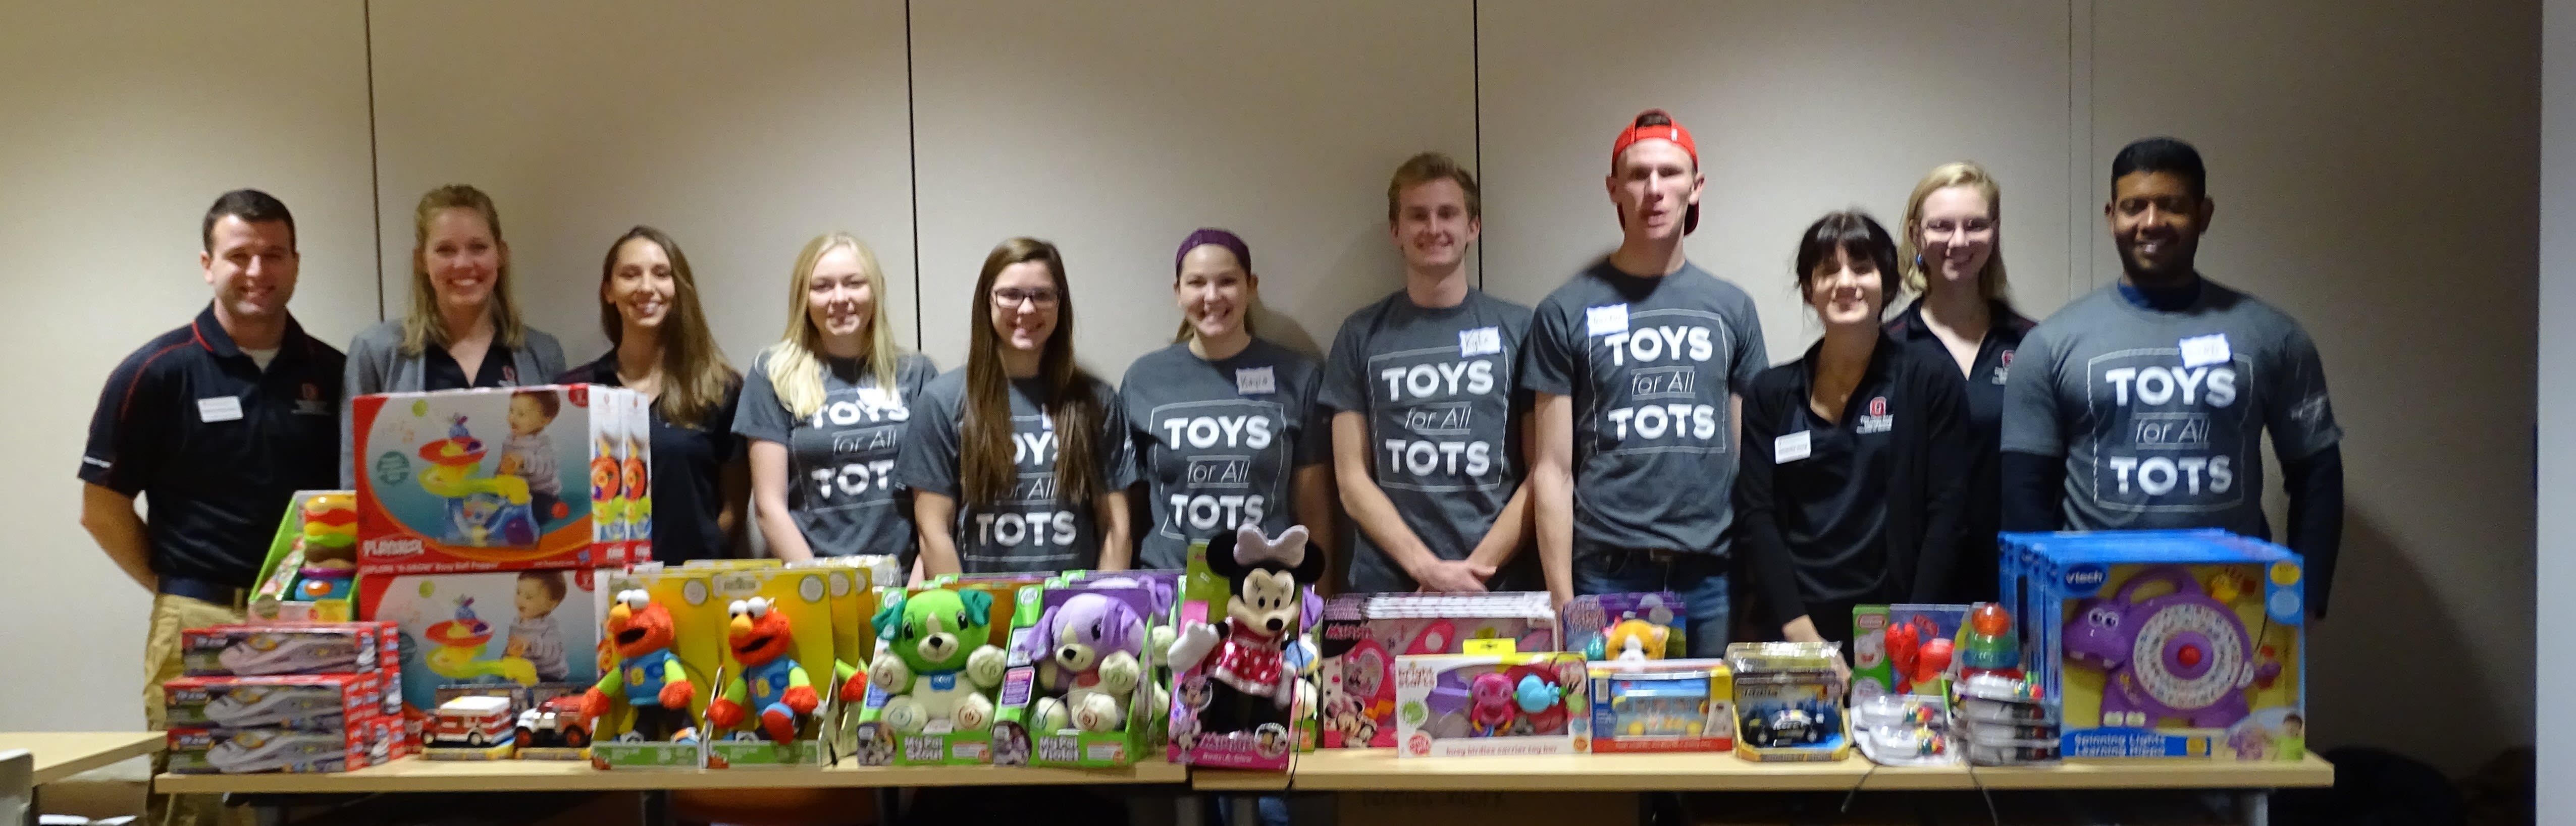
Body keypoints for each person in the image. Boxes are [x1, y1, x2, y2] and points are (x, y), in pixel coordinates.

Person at [80, 190, 343, 825]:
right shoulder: (156, 371)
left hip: (311, 619)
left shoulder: (334, 371)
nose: (258, 271)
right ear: (208, 264)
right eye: (239, 255)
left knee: (313, 798)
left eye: (273, 254)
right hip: (197, 619)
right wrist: (176, 589)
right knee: (193, 805)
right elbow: (101, 508)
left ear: (297, 263)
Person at [2001, 137, 2345, 616]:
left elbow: (2317, 475)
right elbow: (2024, 495)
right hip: (2092, 610)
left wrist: (2305, 602)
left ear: (2203, 215)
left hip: (2236, 604)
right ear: (2110, 217)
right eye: (2133, 206)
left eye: (2172, 206)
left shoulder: (2274, 337)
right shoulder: (2050, 344)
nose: (2151, 223)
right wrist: (2032, 611)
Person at [1524, 111, 1767, 657]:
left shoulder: (1732, 307)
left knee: (1708, 736)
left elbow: (1747, 461)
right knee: (1609, 738)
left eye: (1670, 173)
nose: (1654, 191)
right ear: (1614, 189)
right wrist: (1564, 600)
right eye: (1637, 175)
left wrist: (1755, 580)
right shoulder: (1565, 309)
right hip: (1606, 574)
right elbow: (1553, 470)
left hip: (1712, 575)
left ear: (1696, 186)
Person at [1737, 212, 1970, 646]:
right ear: (1809, 290)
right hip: (1792, 626)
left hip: (1899, 630)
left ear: (1888, 283)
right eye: (1828, 271)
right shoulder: (1770, 393)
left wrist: (1912, 628)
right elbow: (1757, 516)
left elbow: (1948, 514)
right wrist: (1801, 633)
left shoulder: (1929, 381)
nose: (1845, 282)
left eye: (1862, 268)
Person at [1321, 152, 1536, 593]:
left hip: (1496, 586)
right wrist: (1429, 570)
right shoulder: (1360, 334)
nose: (1433, 228)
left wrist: (1472, 572)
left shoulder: (1520, 328)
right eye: (1417, 216)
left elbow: (1543, 473)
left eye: (1448, 214)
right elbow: (1350, 480)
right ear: (1395, 231)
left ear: (1473, 227)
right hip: (1389, 585)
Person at [898, 238, 1136, 575]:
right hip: (981, 611)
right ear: (987, 301)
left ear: (1060, 303)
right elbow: (933, 532)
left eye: (1042, 295)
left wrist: (1097, 611)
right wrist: (966, 616)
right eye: (1011, 294)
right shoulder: (941, 400)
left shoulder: (1096, 400)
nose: (1027, 309)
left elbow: (1117, 529)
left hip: (1072, 616)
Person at [1123, 229, 1336, 572]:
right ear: (1178, 293)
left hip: (1267, 590)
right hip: (1168, 586)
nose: (1211, 296)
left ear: (1250, 286)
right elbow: (1126, 507)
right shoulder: (1143, 379)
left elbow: (1313, 505)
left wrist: (1318, 598)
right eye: (1196, 283)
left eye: (1226, 281)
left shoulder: (1298, 375)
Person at [734, 233, 938, 565]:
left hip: (904, 585)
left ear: (876, 289)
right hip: (814, 586)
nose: (840, 298)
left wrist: (912, 593)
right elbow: (769, 507)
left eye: (854, 283)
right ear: (803, 296)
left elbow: (936, 505)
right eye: (822, 286)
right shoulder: (772, 374)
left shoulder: (917, 374)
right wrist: (825, 589)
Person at [343, 184, 566, 485]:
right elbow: (355, 480)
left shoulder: (543, 353)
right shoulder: (375, 352)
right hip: (410, 528)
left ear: (501, 255)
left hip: (517, 522)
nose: (463, 264)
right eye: (445, 250)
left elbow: (558, 462)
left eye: (478, 247)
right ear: (421, 260)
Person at [1885, 161, 2037, 603]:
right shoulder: (1886, 352)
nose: (1958, 241)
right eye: (1941, 226)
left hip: (2014, 581)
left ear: (1995, 231)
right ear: (1916, 234)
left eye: (1975, 225)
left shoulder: (2033, 345)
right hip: (1915, 586)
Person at [557, 226, 746, 564]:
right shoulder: (575, 394)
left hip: (693, 588)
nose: (647, 287)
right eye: (630, 275)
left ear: (678, 288)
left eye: (661, 274)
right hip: (604, 590)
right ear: (609, 291)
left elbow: (734, 507)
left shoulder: (720, 389)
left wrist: (702, 562)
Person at [509, 570, 570, 682]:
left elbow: (552, 652)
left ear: (550, 604)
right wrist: (507, 660)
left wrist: (530, 645)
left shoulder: (551, 626)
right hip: (526, 673)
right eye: (518, 593)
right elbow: (511, 647)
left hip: (550, 675)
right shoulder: (517, 622)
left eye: (528, 597)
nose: (520, 600)